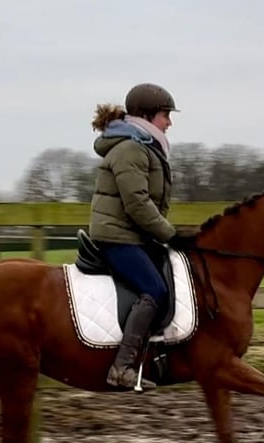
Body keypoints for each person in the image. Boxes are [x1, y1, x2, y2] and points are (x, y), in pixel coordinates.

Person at [89, 82, 193, 390]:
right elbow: (137, 203)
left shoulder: (142, 145)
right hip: (118, 237)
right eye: (165, 116)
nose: (170, 123)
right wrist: (169, 234)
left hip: (133, 235)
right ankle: (121, 367)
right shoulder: (130, 148)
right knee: (155, 291)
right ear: (147, 116)